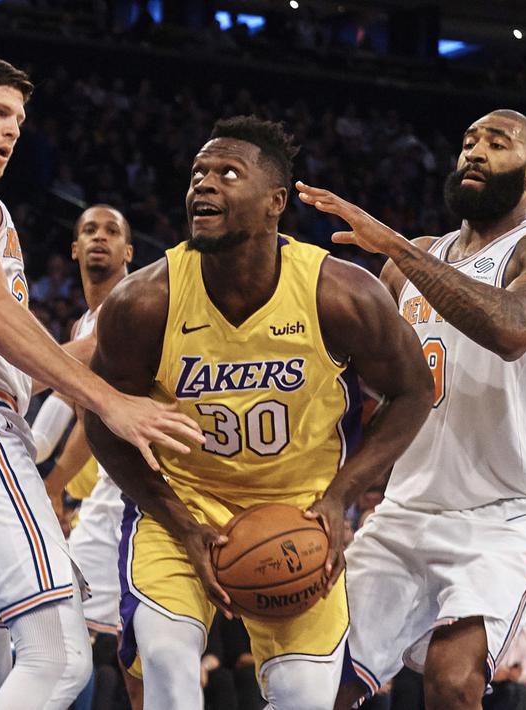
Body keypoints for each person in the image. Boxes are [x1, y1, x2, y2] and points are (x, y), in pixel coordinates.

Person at [0, 54, 201, 709]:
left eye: (20, 120)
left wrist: (101, 342)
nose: (12, 129)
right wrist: (110, 402)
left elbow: (0, 351)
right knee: (58, 659)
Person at [83, 115, 432, 710]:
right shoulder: (145, 301)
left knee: (306, 698)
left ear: (275, 202)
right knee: (167, 663)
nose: (204, 183)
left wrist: (340, 498)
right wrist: (180, 523)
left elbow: (414, 392)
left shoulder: (339, 294)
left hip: (301, 511)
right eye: (198, 173)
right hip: (183, 503)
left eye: (227, 173)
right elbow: (102, 419)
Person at [299, 110, 526, 709]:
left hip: (505, 514)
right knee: (317, 683)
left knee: (453, 681)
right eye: (469, 142)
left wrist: (395, 247)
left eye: (497, 144)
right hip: (406, 509)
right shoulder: (411, 260)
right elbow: (362, 388)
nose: (475, 152)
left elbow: (513, 329)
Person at [29, 205, 137, 702]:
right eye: (90, 230)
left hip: (153, 487)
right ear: (74, 249)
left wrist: (50, 484)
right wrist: (39, 472)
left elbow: (78, 394)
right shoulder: (82, 325)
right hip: (111, 494)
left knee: (137, 649)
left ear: (128, 251)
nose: (99, 238)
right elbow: (74, 413)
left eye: (112, 231)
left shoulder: (135, 303)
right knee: (73, 629)